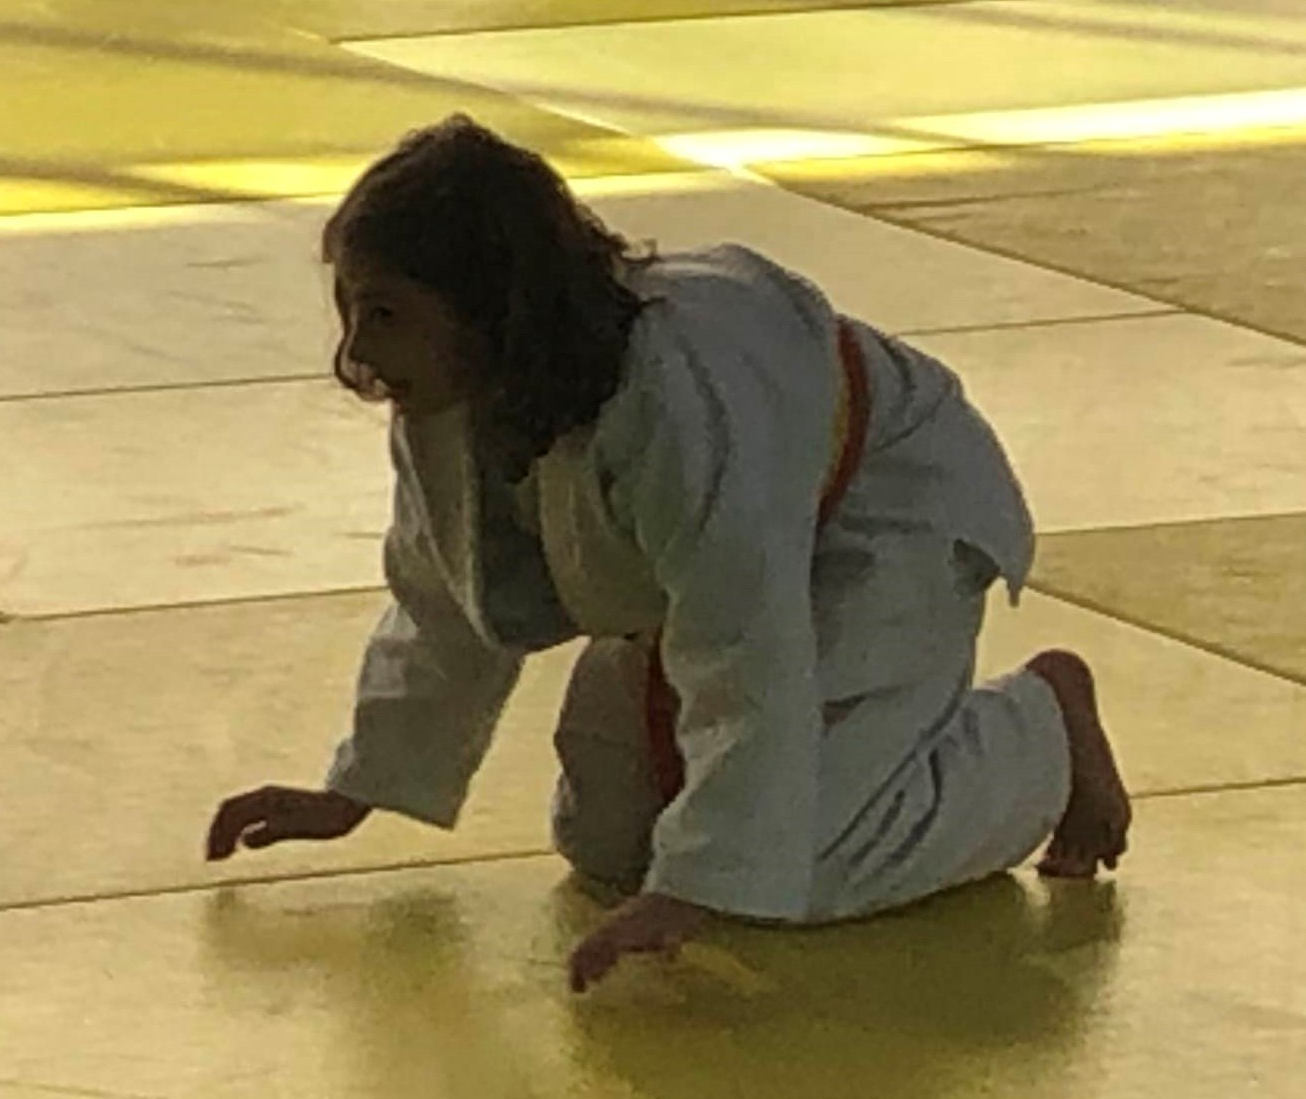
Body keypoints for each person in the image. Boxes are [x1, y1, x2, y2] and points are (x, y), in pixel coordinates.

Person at [204, 115, 1131, 992]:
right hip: (729, 558)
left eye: (384, 313)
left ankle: (1041, 732)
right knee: (612, 841)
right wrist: (360, 783)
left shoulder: (677, 394)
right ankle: (740, 840)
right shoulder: (452, 398)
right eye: (350, 309)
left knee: (805, 862)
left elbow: (745, 636)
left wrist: (701, 885)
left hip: (883, 511)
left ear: (485, 307)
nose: (357, 352)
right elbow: (444, 594)